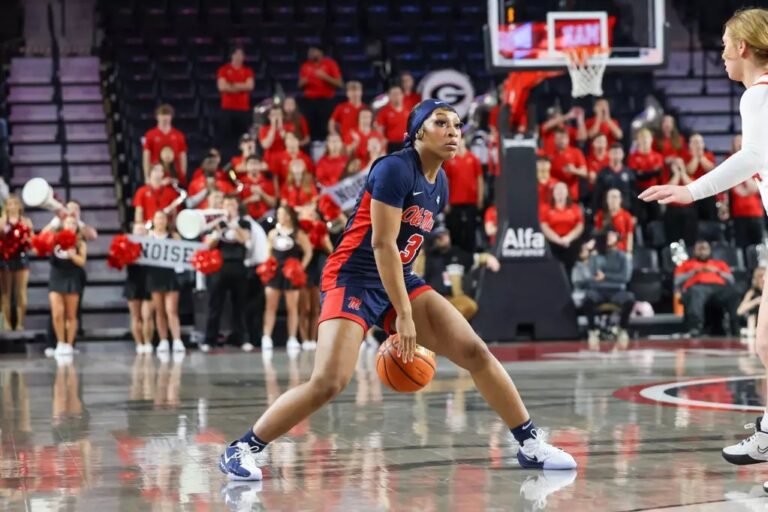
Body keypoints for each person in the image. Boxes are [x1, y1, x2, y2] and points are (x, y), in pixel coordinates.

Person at [218, 99, 576, 481]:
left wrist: (410, 300)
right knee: (328, 382)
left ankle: (529, 443)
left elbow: (408, 249)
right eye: (442, 123)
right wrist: (404, 315)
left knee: (475, 351)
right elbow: (382, 244)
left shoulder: (441, 184)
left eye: (457, 125)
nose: (453, 132)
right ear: (418, 131)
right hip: (354, 276)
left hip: (398, 275)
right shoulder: (394, 169)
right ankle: (243, 447)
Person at [201, 196, 251, 352]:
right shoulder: (215, 223)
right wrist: (217, 232)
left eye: (232, 204)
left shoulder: (244, 223)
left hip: (238, 265)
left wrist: (234, 225)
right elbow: (208, 246)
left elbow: (245, 240)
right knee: (215, 305)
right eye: (227, 204)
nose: (229, 207)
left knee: (239, 305)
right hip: (219, 267)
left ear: (237, 206)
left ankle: (241, 339)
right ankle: (209, 339)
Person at [261, 205, 313, 353]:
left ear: (289, 216)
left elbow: (308, 252)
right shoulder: (273, 233)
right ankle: (267, 337)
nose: (279, 216)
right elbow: (268, 252)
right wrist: (269, 266)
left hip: (291, 273)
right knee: (270, 306)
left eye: (282, 214)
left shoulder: (298, 233)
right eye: (278, 213)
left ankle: (292, 338)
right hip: (275, 272)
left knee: (292, 307)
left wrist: (300, 267)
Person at [573, 229, 634, 350]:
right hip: (598, 290)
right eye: (607, 235)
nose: (609, 237)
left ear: (618, 238)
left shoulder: (623, 257)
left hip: (616, 290)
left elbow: (625, 277)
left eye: (612, 235)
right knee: (587, 299)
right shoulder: (596, 256)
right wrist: (590, 252)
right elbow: (592, 274)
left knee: (629, 299)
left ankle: (623, 328)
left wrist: (606, 276)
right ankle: (592, 330)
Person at [673, 240, 740, 337]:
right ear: (694, 251)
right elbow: (677, 281)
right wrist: (694, 272)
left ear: (710, 250)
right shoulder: (686, 264)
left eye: (704, 249)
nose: (702, 251)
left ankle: (735, 326)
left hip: (718, 288)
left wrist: (718, 271)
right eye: (699, 249)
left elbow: (731, 280)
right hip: (697, 287)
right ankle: (696, 327)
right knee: (696, 292)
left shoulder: (719, 263)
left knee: (733, 293)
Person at [145, 210, 185, 354]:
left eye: (163, 218)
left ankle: (177, 339)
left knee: (171, 310)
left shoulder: (173, 237)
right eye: (158, 218)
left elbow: (181, 254)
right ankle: (163, 340)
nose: (160, 221)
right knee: (159, 310)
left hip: (170, 276)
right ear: (153, 221)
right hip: (155, 276)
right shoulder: (148, 237)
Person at [49, 215, 87, 356]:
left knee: (71, 315)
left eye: (73, 223)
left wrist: (72, 256)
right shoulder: (55, 238)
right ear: (63, 224)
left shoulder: (80, 242)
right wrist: (53, 223)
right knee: (57, 314)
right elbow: (40, 241)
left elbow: (82, 262)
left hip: (72, 277)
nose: (71, 225)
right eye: (68, 223)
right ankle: (60, 342)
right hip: (56, 277)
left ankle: (69, 344)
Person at [298, 206, 334, 351]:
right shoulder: (298, 229)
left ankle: (313, 339)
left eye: (312, 211)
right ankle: (304, 339)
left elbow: (330, 249)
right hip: (303, 265)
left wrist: (323, 241)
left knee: (315, 308)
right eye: (307, 210)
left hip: (317, 266)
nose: (310, 212)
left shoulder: (321, 228)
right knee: (304, 308)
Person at [443, 137, 483, 253]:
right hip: (454, 201)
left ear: (464, 140)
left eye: (460, 139)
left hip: (471, 201)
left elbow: (479, 179)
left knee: (471, 228)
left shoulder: (473, 158)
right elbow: (446, 181)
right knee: (455, 229)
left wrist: (480, 198)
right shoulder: (449, 159)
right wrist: (446, 201)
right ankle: (455, 255)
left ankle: (471, 255)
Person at [0, 195, 33, 330]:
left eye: (15, 204)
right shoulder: (2, 221)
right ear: (6, 207)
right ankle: (7, 323)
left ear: (19, 206)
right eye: (10, 204)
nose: (12, 207)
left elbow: (32, 241)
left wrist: (29, 238)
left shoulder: (26, 221)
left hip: (21, 258)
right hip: (5, 258)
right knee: (6, 292)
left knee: (21, 292)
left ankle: (20, 323)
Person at [298, 46, 343, 140]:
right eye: (309, 52)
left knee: (325, 126)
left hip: (326, 100)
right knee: (310, 126)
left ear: (320, 52)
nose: (310, 54)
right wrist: (303, 82)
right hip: (309, 101)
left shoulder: (330, 64)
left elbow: (339, 84)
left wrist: (325, 77)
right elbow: (299, 85)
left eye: (313, 51)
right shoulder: (305, 65)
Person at [217, 46, 255, 158]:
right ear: (231, 56)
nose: (238, 57)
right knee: (226, 136)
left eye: (241, 54)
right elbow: (222, 87)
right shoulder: (224, 70)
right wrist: (241, 86)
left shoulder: (247, 71)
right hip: (227, 109)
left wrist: (232, 85)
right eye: (236, 54)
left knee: (243, 136)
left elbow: (250, 86)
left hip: (243, 109)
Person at [728, 134, 765, 247]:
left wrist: (744, 166)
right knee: (741, 248)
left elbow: (756, 188)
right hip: (739, 214)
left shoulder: (756, 164)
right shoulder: (729, 165)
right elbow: (738, 191)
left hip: (756, 213)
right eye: (737, 142)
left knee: (759, 248)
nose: (740, 144)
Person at [541, 182, 584, 276]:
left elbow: (579, 226)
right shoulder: (545, 208)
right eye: (557, 189)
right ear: (553, 193)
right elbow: (544, 226)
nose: (560, 192)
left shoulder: (575, 208)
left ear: (567, 193)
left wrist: (568, 238)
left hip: (570, 241)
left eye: (563, 189)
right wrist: (558, 240)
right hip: (552, 241)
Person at [125, 223, 154, 354]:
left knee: (147, 315)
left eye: (142, 229)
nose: (140, 232)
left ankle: (148, 342)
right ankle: (138, 343)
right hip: (133, 282)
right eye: (138, 230)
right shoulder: (127, 245)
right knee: (135, 316)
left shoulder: (153, 245)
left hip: (148, 283)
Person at [142, 104, 187, 184]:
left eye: (167, 115)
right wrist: (147, 176)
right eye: (162, 115)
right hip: (157, 173)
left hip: (174, 174)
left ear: (171, 117)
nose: (165, 118)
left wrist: (182, 175)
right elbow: (146, 156)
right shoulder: (150, 135)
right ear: (157, 117)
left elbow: (182, 157)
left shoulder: (178, 135)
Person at [628, 128, 664, 224]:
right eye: (642, 138)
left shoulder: (657, 156)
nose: (644, 141)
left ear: (651, 140)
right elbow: (637, 176)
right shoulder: (633, 157)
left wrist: (643, 173)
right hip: (639, 192)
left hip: (655, 191)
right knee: (641, 219)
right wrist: (652, 172)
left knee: (656, 219)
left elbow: (658, 173)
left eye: (646, 138)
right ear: (638, 141)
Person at [592, 143, 636, 213]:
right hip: (606, 213)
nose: (616, 156)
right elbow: (597, 196)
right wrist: (596, 213)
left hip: (625, 212)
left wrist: (634, 214)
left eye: (618, 153)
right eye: (614, 153)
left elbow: (634, 195)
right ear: (609, 154)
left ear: (623, 155)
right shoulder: (602, 174)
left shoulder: (629, 174)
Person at [547, 128, 587, 202]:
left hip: (572, 194)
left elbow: (584, 172)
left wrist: (574, 170)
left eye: (563, 138)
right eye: (558, 138)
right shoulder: (550, 154)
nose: (561, 141)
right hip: (554, 194)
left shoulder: (576, 152)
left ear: (568, 139)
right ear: (554, 140)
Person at [594, 188, 635, 253]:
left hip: (621, 250)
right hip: (604, 250)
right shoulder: (601, 214)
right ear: (606, 199)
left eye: (615, 197)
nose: (613, 200)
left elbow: (629, 235)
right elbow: (597, 233)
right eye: (610, 197)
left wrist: (629, 251)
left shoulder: (626, 215)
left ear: (620, 199)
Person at [240, 155, 278, 221]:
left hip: (265, 218)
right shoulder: (241, 182)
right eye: (251, 163)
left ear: (260, 165)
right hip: (247, 218)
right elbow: (237, 205)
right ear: (246, 166)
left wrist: (262, 193)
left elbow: (273, 204)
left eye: (256, 163)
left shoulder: (268, 182)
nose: (254, 166)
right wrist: (249, 200)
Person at [375, 85, 409, 153]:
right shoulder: (384, 111)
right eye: (394, 94)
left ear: (402, 95)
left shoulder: (408, 110)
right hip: (391, 145)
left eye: (398, 93)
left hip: (405, 144)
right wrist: (383, 141)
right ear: (389, 96)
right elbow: (379, 130)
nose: (396, 96)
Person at [738, 267, 765, 339]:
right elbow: (740, 311)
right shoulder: (752, 292)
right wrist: (756, 301)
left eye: (764, 276)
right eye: (760, 276)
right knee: (751, 316)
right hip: (754, 325)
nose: (763, 279)